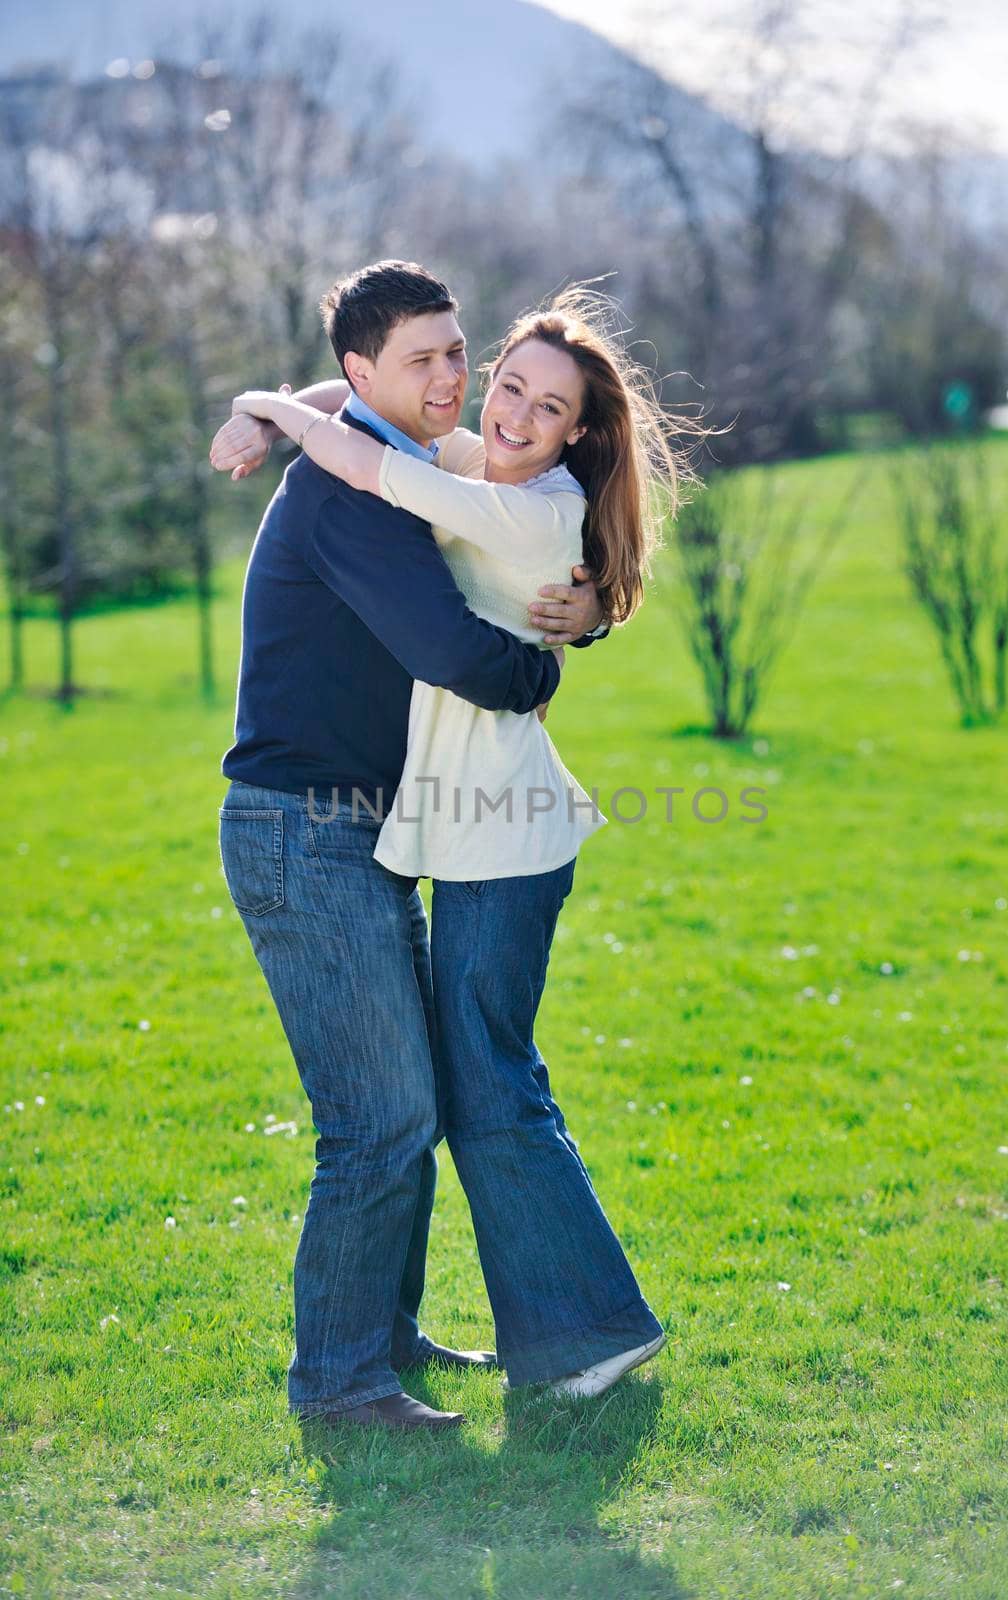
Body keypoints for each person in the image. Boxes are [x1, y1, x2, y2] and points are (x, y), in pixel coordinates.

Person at [214, 280, 702, 1403]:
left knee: (423, 1101)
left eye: (458, 353)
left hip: (378, 828)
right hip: (306, 828)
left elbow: (390, 434)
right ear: (361, 375)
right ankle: (340, 1379)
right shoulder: (353, 495)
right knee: (383, 1118)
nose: (455, 383)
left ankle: (384, 1342)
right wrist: (544, 661)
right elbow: (463, 653)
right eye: (424, 360)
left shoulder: (441, 475)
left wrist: (278, 404)